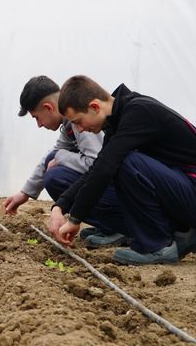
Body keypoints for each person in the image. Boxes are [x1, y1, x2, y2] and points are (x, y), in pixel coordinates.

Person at [54, 75, 196, 265]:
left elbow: (105, 168)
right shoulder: (120, 120)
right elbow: (96, 169)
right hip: (184, 188)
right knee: (117, 162)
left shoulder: (139, 112)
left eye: (78, 121)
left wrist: (75, 219)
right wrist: (60, 206)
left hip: (191, 186)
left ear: (95, 107)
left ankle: (156, 246)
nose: (79, 130)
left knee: (125, 161)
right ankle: (180, 233)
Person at [2, 76, 128, 248]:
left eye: (36, 118)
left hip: (126, 191)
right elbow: (53, 155)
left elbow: (97, 163)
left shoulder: (81, 120)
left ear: (48, 107)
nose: (39, 125)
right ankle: (108, 225)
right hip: (117, 187)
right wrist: (25, 193)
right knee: (53, 163)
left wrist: (61, 157)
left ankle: (120, 227)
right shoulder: (69, 122)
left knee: (55, 177)